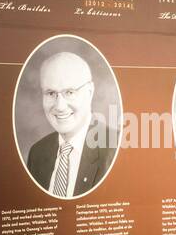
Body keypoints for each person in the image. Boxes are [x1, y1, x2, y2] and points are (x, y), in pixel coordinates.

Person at [25, 51, 116, 198]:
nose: (60, 106)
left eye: (69, 92)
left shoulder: (115, 147)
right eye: (50, 93)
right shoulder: (37, 153)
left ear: (89, 92)